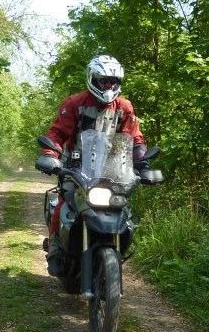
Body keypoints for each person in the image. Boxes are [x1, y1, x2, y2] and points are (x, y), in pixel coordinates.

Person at [40, 55, 148, 276]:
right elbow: (57, 133)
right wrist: (51, 155)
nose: (109, 86)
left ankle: (116, 249)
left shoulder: (124, 107)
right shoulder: (75, 103)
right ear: (93, 79)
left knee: (123, 209)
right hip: (76, 168)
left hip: (112, 170)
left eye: (113, 82)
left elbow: (135, 139)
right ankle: (54, 249)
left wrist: (143, 164)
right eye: (103, 81)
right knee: (64, 203)